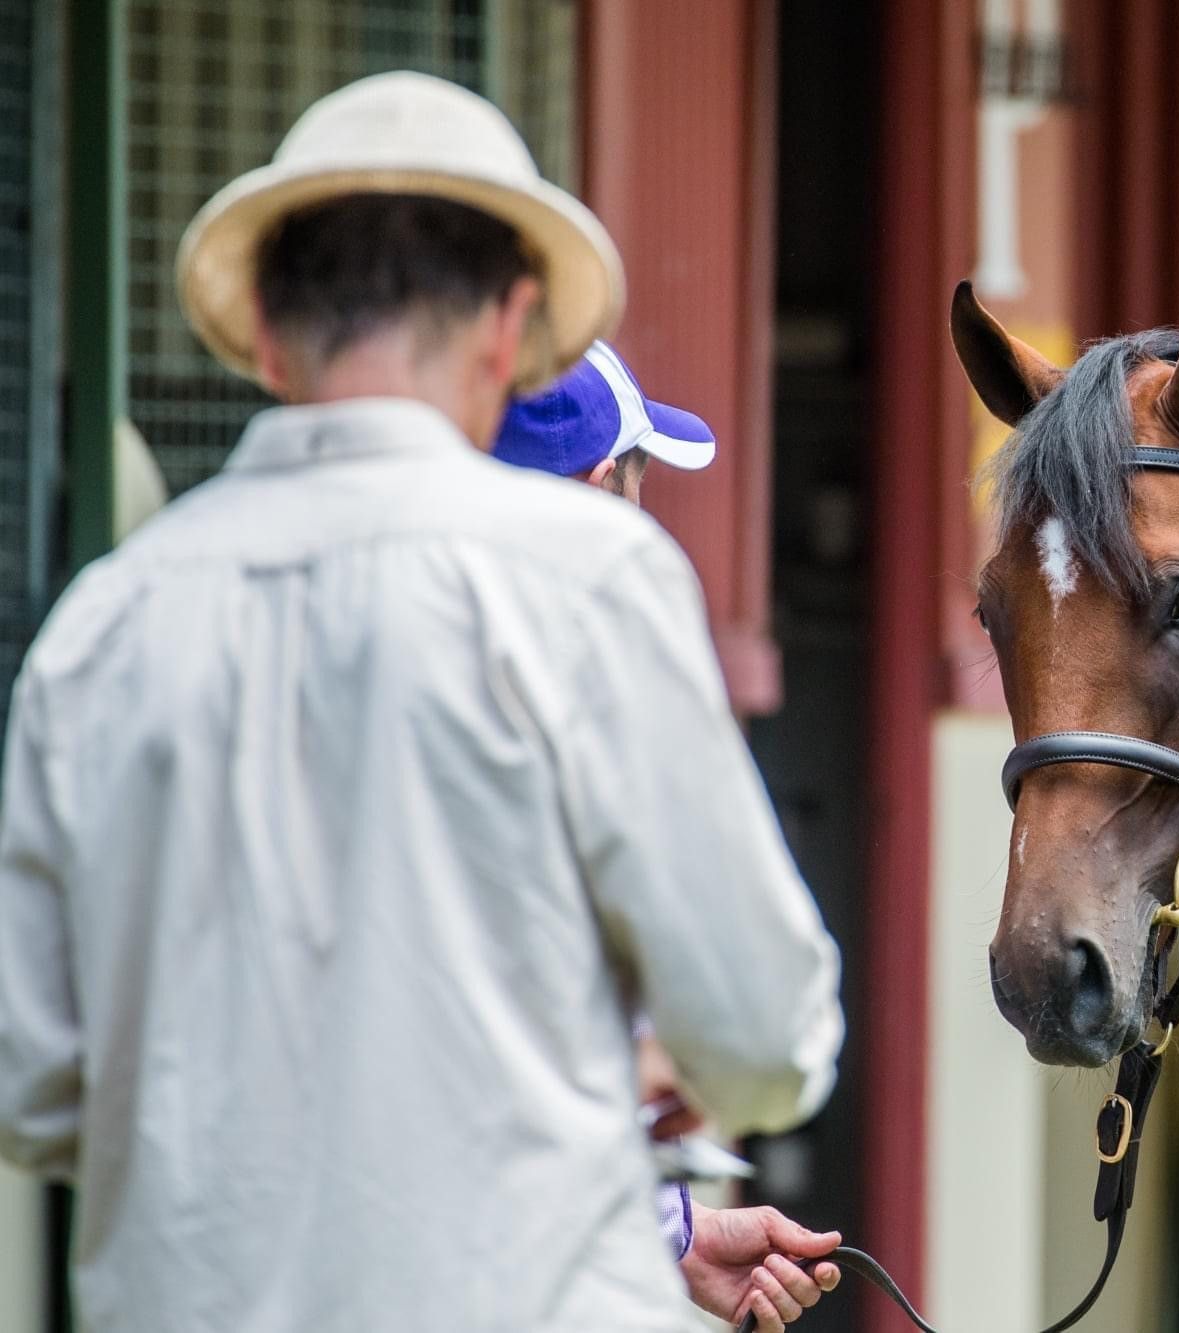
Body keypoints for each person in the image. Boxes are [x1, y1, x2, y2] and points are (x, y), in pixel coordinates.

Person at [0, 70, 843, 1333]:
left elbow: (34, 1083)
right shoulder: (590, 583)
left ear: (268, 337)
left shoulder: (101, 629)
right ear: (511, 330)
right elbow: (764, 1038)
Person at [491, 341, 843, 1319]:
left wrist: (672, 1232)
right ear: (606, 486)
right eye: (643, 480)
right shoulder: (608, 663)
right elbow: (770, 1039)